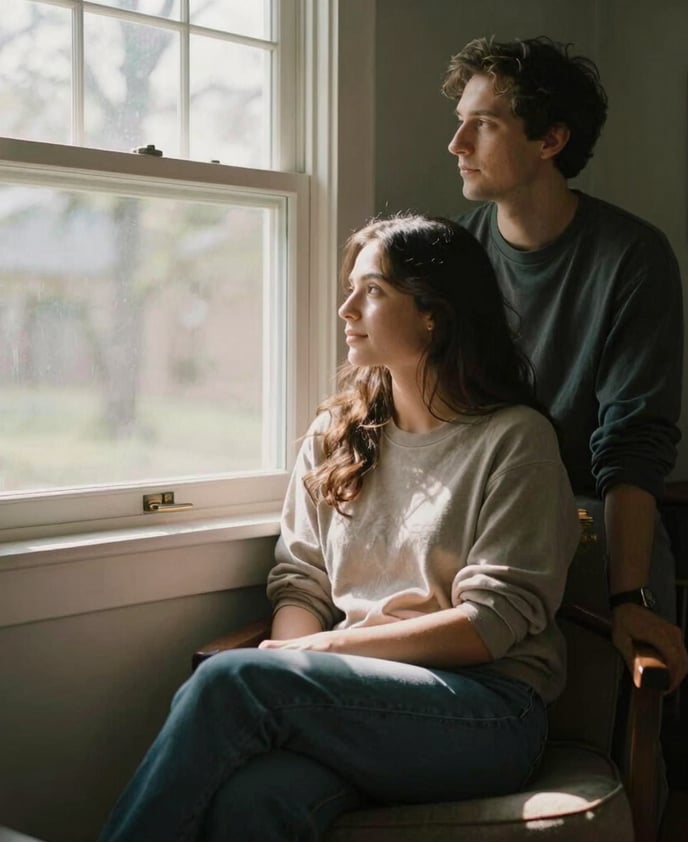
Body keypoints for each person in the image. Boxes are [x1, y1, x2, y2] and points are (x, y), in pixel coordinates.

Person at [98, 214, 580, 842]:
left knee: (231, 679)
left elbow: (489, 625)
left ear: (435, 312)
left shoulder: (515, 440)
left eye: (373, 290)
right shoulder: (338, 437)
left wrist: (317, 654)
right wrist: (303, 656)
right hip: (357, 699)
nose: (346, 308)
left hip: (483, 712)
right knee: (254, 800)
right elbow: (301, 582)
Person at [442, 35, 688, 692]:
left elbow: (634, 441)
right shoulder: (454, 257)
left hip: (588, 514)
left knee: (625, 691)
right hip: (479, 510)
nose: (456, 143)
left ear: (550, 141)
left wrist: (628, 598)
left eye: (484, 124)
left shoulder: (632, 258)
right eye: (459, 120)